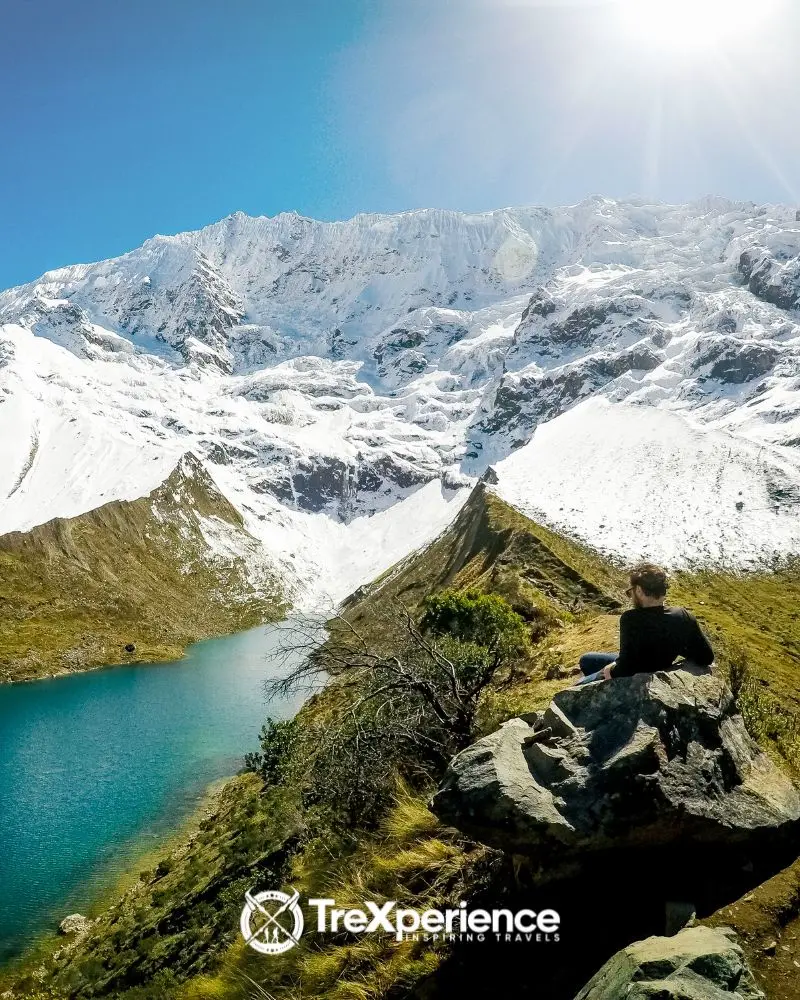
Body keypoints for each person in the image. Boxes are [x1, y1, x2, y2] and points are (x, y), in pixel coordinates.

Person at [574, 562, 714, 686]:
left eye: (631, 591)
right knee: (587, 659)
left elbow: (625, 669)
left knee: (580, 679)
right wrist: (675, 643)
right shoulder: (682, 616)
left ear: (639, 590)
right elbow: (706, 656)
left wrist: (609, 670)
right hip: (655, 666)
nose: (631, 596)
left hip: (633, 676)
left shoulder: (631, 619)